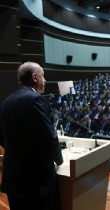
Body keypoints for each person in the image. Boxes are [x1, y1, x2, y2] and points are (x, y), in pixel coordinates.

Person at [0, 62, 63, 210]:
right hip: (35, 181)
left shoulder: (7, 101)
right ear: (35, 77)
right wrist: (58, 160)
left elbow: (2, 136)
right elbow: (49, 135)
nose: (45, 80)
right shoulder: (36, 99)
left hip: (13, 177)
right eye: (43, 76)